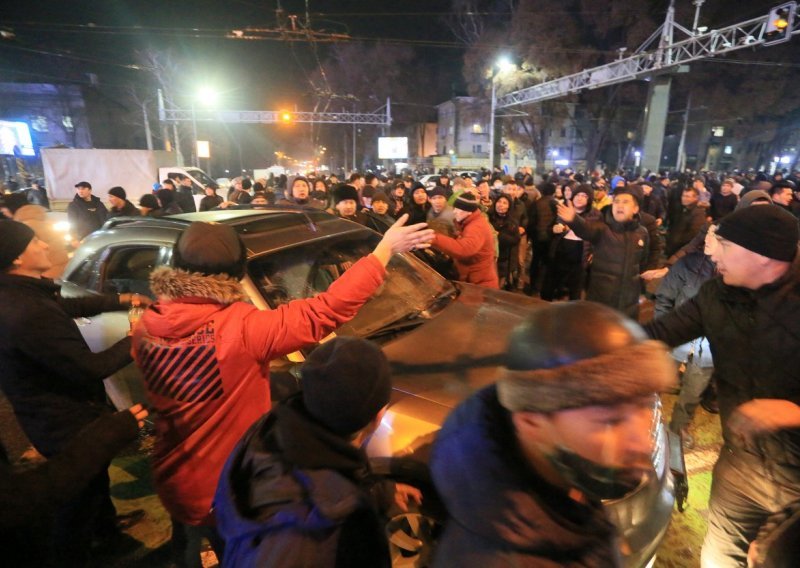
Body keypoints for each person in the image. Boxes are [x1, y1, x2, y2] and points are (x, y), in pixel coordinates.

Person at [130, 216, 433, 566]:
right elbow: (325, 310)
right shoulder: (241, 329)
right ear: (236, 273)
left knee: (186, 546)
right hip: (228, 488)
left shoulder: (146, 326)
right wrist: (383, 251)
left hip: (175, 476)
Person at [430, 301, 675, 567]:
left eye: (644, 405)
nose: (644, 443)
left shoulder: (557, 480)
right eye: (610, 422)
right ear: (531, 423)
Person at [645, 205, 800, 567]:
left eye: (724, 244)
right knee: (720, 558)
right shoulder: (717, 294)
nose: (712, 251)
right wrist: (593, 341)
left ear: (762, 256)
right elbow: (660, 332)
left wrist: (792, 411)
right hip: (740, 468)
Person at [0, 219, 146, 565]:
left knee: (93, 479)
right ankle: (76, 553)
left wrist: (121, 298)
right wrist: (136, 337)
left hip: (50, 409)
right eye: (36, 241)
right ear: (17, 258)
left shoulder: (19, 292)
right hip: (63, 418)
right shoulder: (25, 310)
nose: (46, 246)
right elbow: (90, 368)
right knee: (78, 493)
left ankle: (106, 530)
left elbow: (66, 306)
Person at [214, 337, 421, 567]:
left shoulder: (271, 437)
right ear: (377, 416)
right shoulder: (313, 537)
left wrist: (375, 494)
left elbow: (322, 488)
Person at [1, 404, 148, 567]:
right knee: (79, 498)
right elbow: (18, 499)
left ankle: (104, 530)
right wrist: (101, 439)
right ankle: (71, 555)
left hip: (68, 417)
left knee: (94, 484)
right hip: (56, 423)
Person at [556, 186, 649, 319]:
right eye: (616, 202)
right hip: (602, 299)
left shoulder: (642, 233)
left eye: (625, 202)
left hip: (629, 302)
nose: (619, 206)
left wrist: (641, 290)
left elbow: (642, 263)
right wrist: (574, 220)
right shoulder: (603, 229)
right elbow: (586, 229)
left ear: (636, 208)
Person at [540, 184, 599, 301]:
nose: (579, 198)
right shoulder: (563, 209)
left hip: (580, 253)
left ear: (589, 199)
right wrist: (553, 229)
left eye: (584, 196)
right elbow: (548, 229)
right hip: (560, 250)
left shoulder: (595, 215)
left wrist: (593, 251)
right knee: (549, 287)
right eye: (577, 195)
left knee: (575, 291)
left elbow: (597, 236)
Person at [430, 193, 499, 289]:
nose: (454, 212)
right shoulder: (468, 223)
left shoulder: (476, 226)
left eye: (458, 209)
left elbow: (464, 249)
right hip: (475, 282)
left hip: (481, 285)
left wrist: (433, 238)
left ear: (468, 211)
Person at [489, 194, 521, 290]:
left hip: (503, 259)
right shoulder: (488, 218)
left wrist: (499, 235)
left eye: (504, 203)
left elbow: (516, 240)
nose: (501, 205)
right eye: (499, 202)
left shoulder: (512, 222)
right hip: (489, 256)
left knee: (499, 285)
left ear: (509, 206)